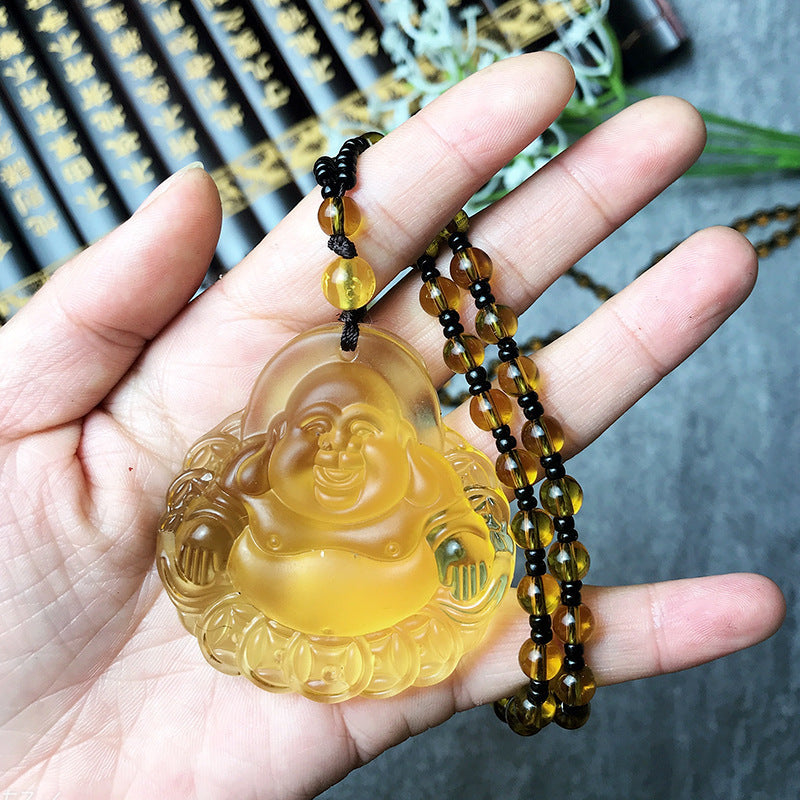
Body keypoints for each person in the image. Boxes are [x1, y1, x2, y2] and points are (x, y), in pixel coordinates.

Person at [0, 53, 784, 798]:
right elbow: (214, 521)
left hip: (390, 607)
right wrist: (212, 532)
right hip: (278, 607)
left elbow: (458, 536)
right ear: (275, 435)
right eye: (314, 432)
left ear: (402, 442)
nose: (335, 449)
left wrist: (454, 546)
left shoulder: (423, 483)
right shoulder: (251, 479)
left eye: (360, 437)